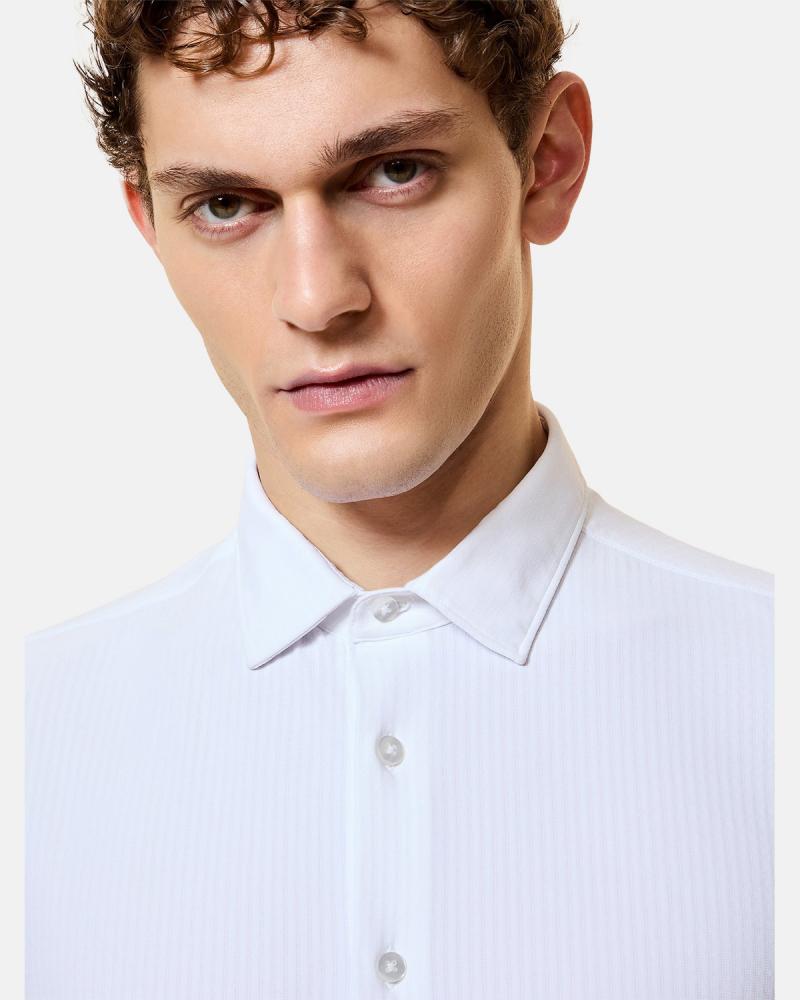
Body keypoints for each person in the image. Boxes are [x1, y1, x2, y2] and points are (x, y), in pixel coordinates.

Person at [25, 2, 773, 998]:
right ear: (150, 225)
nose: (316, 297)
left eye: (393, 172)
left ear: (547, 162)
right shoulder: (34, 739)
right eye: (225, 204)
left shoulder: (770, 692)